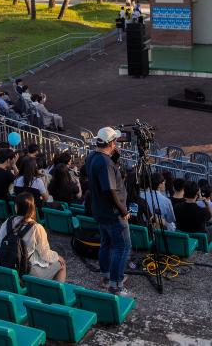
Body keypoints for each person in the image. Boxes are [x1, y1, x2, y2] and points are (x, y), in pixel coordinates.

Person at [86, 126, 132, 296]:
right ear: (112, 143)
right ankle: (116, 285)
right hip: (113, 213)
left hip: (100, 211)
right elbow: (110, 191)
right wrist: (123, 210)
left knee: (106, 242)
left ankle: (107, 277)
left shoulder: (93, 157)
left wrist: (115, 159)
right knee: (123, 246)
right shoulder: (105, 163)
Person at [0, 192, 67, 281]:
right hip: (27, 271)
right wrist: (57, 257)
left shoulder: (7, 222)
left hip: (7, 266)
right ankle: (56, 294)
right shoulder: (37, 227)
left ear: (16, 207)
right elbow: (45, 254)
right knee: (61, 265)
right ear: (32, 208)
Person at [176, 180, 212, 247]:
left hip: (184, 236)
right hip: (201, 238)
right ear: (197, 194)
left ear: (184, 192)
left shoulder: (177, 207)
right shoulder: (202, 211)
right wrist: (206, 204)